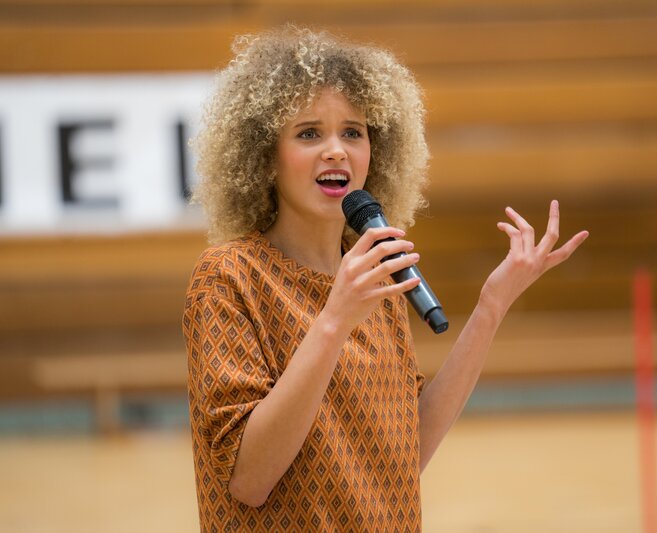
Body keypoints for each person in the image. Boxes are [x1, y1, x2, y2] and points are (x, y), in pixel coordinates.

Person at [183, 26, 589, 532]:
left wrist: (492, 306)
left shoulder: (380, 276)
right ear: (265, 156)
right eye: (309, 133)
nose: (336, 150)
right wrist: (335, 320)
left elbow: (404, 454)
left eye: (353, 132)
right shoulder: (227, 277)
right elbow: (249, 479)